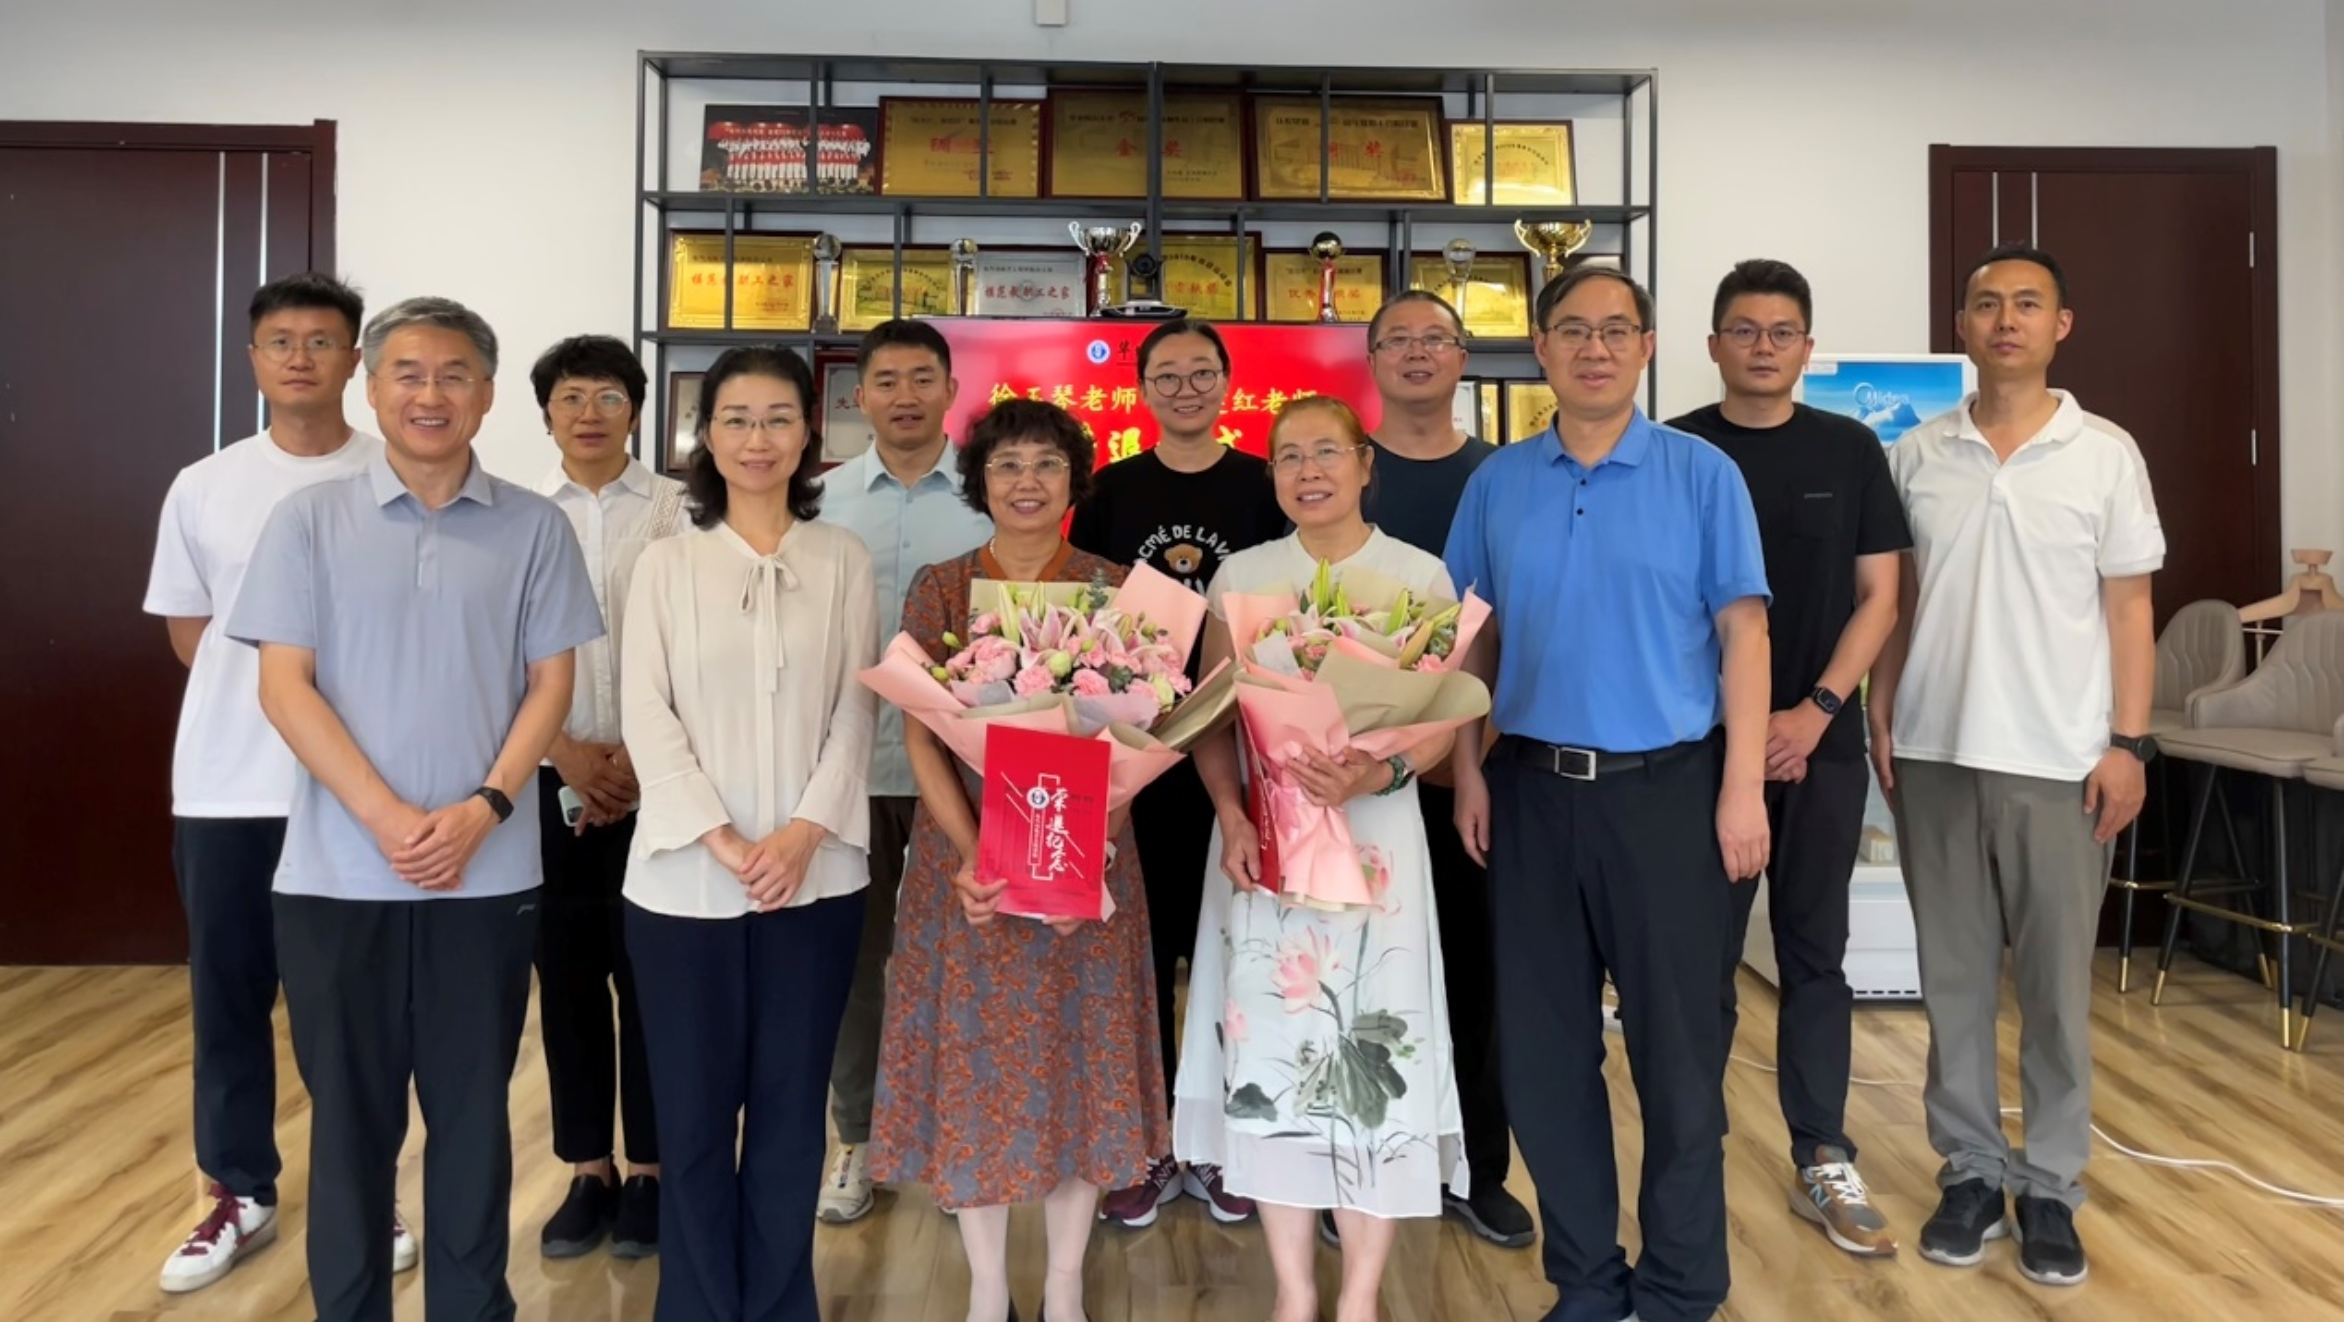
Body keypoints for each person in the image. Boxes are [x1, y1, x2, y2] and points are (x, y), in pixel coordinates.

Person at [226, 296, 604, 1321]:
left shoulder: (533, 526)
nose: (429, 393)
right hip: (336, 876)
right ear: (371, 385)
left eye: (452, 374)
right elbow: (285, 686)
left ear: (487, 394)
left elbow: (550, 686)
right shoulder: (307, 521)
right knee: (350, 1122)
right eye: (408, 372)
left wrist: (486, 806)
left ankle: (472, 1307)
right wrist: (387, 817)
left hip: (487, 876)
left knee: (473, 1114)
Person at [1445, 266, 1771, 1322]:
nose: (1595, 348)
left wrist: (1741, 789)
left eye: (1616, 330)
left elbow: (1744, 635)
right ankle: (1586, 1280)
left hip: (1667, 794)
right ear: (1540, 348)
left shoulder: (1702, 473)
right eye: (1573, 330)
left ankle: (1680, 1286)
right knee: (1544, 1059)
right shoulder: (1498, 481)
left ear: (1647, 346)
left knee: (1679, 1059)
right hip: (1530, 792)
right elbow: (1470, 640)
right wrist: (1466, 769)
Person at [1868, 243, 2161, 1288]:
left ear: (2060, 325)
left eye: (2026, 304)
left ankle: (2049, 1184)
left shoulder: (2105, 454)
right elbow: (1896, 600)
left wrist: (2127, 743)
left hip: (2062, 760)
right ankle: (1969, 1170)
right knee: (1951, 982)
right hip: (1936, 750)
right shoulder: (1917, 453)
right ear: (1961, 323)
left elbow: (2130, 609)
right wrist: (1882, 709)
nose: (2006, 321)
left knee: (2052, 990)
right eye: (1987, 304)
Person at [143, 272, 419, 1293]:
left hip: (356, 794)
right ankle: (238, 1191)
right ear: (254, 359)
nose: (300, 357)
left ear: (355, 359)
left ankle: (366, 1189)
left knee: (347, 1011)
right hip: (226, 787)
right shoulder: (203, 484)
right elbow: (193, 637)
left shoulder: (399, 471)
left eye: (321, 340)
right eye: (280, 341)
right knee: (227, 999)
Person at [868, 400, 1167, 1322]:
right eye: (1006, 465)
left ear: (1076, 479)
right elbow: (921, 730)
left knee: (1081, 1059)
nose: (1027, 481)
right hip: (969, 869)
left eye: (1046, 463)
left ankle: (1065, 1282)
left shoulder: (1117, 590)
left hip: (1090, 860)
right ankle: (988, 1287)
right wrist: (975, 853)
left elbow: (1146, 735)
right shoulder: (942, 587)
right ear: (980, 482)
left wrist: (1090, 835)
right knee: (978, 1066)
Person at [1176, 396, 1467, 1322]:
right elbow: (1208, 717)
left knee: (1379, 1047)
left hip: (1377, 845)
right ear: (1271, 474)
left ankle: (1362, 1295)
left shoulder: (1417, 574)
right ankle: (1295, 1290)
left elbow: (1444, 719)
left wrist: (1377, 769)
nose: (1309, 471)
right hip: (1266, 848)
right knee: (1272, 1052)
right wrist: (1230, 813)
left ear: (1364, 463)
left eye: (1327, 453)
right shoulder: (1244, 574)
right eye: (1289, 456)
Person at [620, 345, 878, 1322]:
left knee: (787, 1117)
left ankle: (777, 1304)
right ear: (706, 435)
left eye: (778, 418)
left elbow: (857, 709)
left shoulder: (842, 557)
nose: (757, 438)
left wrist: (804, 832)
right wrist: (725, 840)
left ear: (808, 432)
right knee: (689, 1121)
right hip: (683, 887)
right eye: (735, 418)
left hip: (818, 884)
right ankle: (694, 1304)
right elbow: (647, 714)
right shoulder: (665, 563)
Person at [1667, 259, 1910, 1258]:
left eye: (1781, 332)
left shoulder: (1849, 448)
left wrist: (1814, 713)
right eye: (1744, 329)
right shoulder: (1675, 450)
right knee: (1698, 962)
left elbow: (1880, 597)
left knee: (1815, 955)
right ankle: (1690, 1153)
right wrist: (1742, 731)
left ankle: (1822, 1152)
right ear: (1713, 343)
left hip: (1822, 744)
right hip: (1699, 752)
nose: (1762, 347)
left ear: (1807, 347)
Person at [1070, 318, 1286, 1228]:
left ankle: (1227, 1141)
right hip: (1141, 757)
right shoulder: (1112, 489)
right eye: (1168, 374)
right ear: (1143, 389)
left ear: (1229, 383)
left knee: (1240, 950)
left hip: (1247, 752)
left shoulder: (1265, 486)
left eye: (1203, 372)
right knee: (1144, 957)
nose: (1187, 388)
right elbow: (1088, 611)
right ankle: (1149, 1144)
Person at [1348, 289, 1535, 1251]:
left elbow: (1505, 626)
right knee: (1357, 974)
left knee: (1476, 973)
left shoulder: (1503, 476)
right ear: (1371, 359)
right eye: (1398, 340)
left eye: (1437, 338)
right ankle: (1350, 1168)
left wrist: (1468, 756)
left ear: (1465, 358)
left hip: (1471, 771)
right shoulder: (1342, 469)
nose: (1417, 353)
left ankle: (1478, 1168)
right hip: (1346, 781)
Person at [816, 318, 993, 1225]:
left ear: (951, 389)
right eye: (886, 381)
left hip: (963, 779)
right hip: (846, 768)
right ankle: (856, 1139)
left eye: (923, 378)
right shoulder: (821, 501)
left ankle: (959, 1142)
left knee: (961, 962)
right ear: (861, 397)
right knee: (854, 966)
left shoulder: (993, 495)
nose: (905, 396)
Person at [526, 334, 689, 1259]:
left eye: (609, 396)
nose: (590, 413)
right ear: (546, 413)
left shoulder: (681, 512)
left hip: (659, 781)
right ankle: (588, 1168)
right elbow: (496, 651)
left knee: (653, 978)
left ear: (636, 409)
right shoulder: (516, 516)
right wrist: (566, 753)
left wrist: (628, 759)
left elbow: (695, 644)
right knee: (568, 979)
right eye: (571, 397)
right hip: (548, 780)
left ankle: (654, 1170)